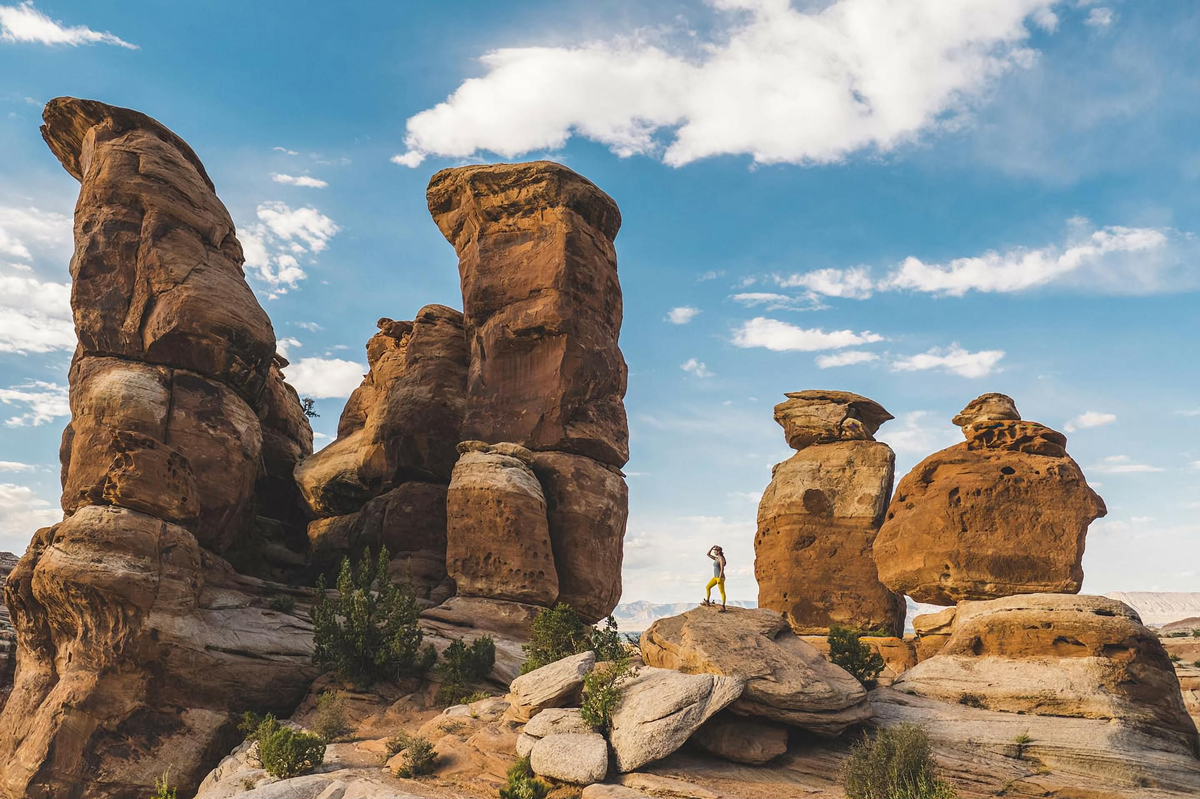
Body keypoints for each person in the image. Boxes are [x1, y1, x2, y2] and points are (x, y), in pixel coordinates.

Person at [703, 545, 727, 612]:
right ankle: (707, 601)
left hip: (720, 578)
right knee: (708, 587)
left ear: (718, 551)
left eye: (715, 550)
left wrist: (719, 578)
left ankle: (723, 606)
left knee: (722, 591)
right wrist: (712, 547)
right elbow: (708, 554)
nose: (714, 552)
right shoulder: (716, 558)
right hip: (715, 577)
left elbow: (722, 568)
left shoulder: (721, 559)